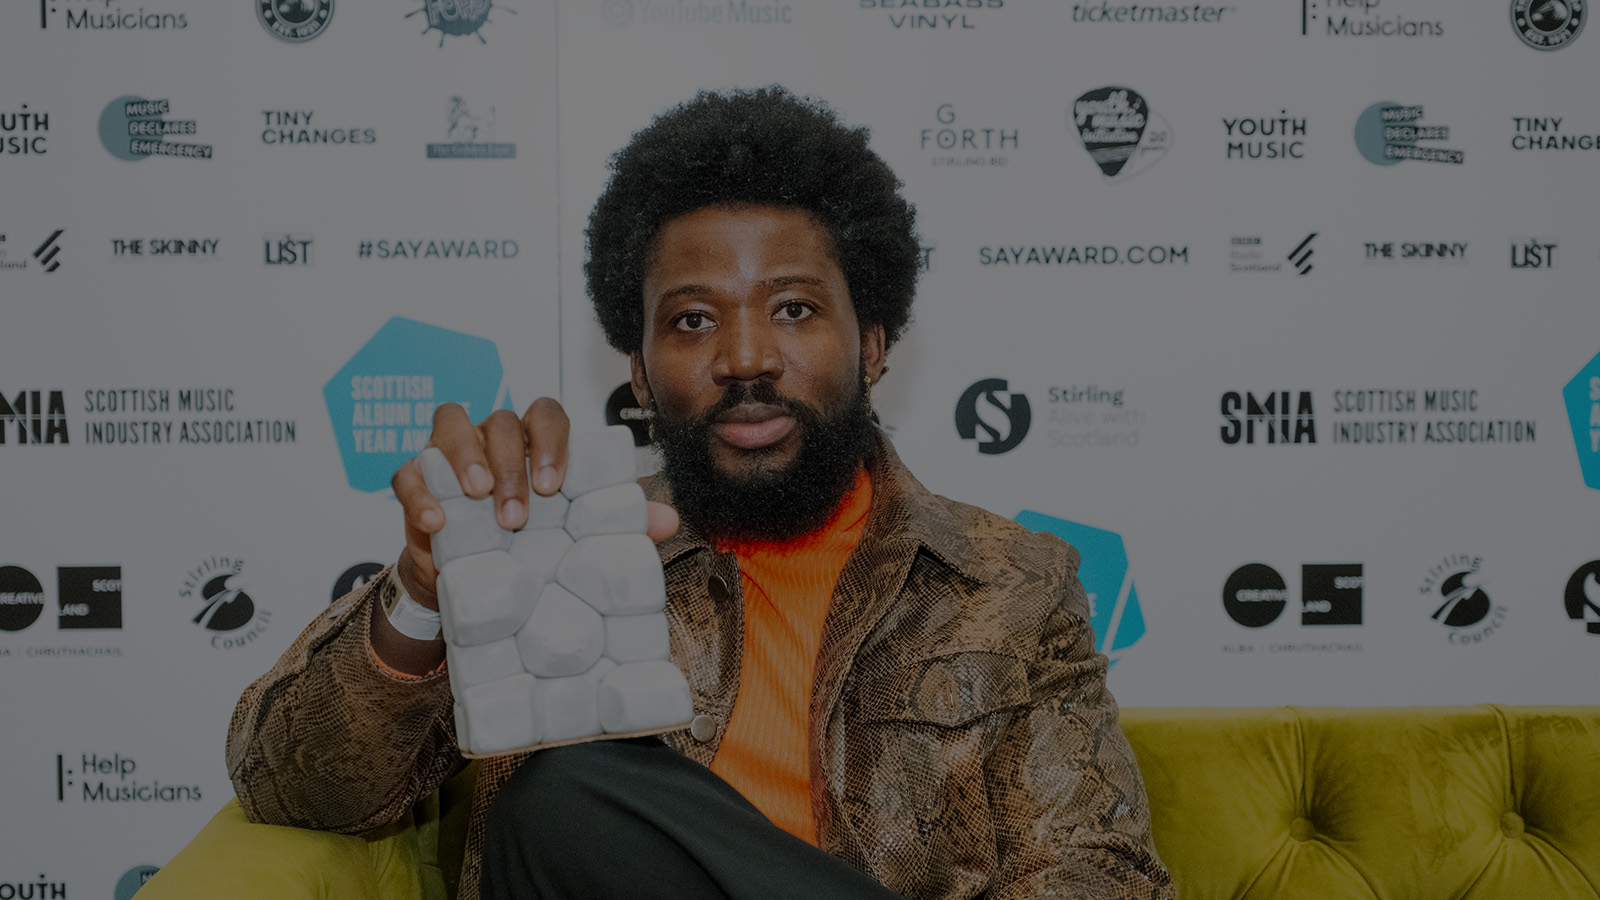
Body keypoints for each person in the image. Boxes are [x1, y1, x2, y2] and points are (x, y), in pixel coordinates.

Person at [227, 85, 1171, 900]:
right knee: (567, 806)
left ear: (873, 345)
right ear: (638, 371)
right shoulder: (547, 559)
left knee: (566, 800)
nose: (747, 357)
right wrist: (434, 583)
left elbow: (1095, 869)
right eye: (691, 320)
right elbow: (297, 792)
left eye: (795, 309)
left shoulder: (1009, 585)